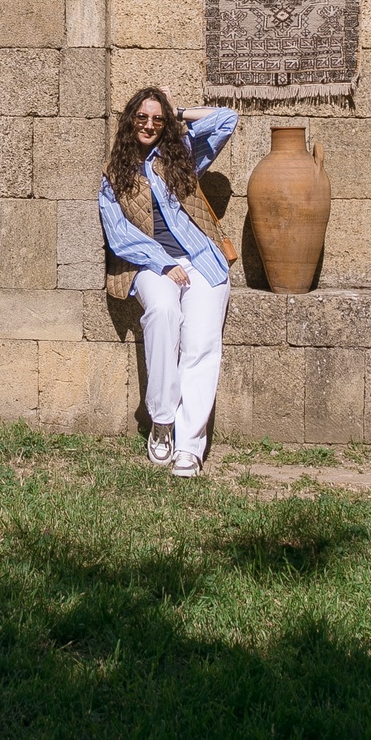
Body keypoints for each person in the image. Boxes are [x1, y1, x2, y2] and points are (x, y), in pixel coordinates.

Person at [98, 89, 239, 478]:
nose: (149, 125)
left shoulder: (182, 156)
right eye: (142, 118)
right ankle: (162, 421)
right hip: (149, 265)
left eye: (156, 120)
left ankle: (190, 447)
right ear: (130, 122)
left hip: (202, 261)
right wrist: (161, 262)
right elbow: (118, 234)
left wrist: (177, 114)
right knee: (162, 311)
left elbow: (227, 119)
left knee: (201, 345)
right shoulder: (114, 175)